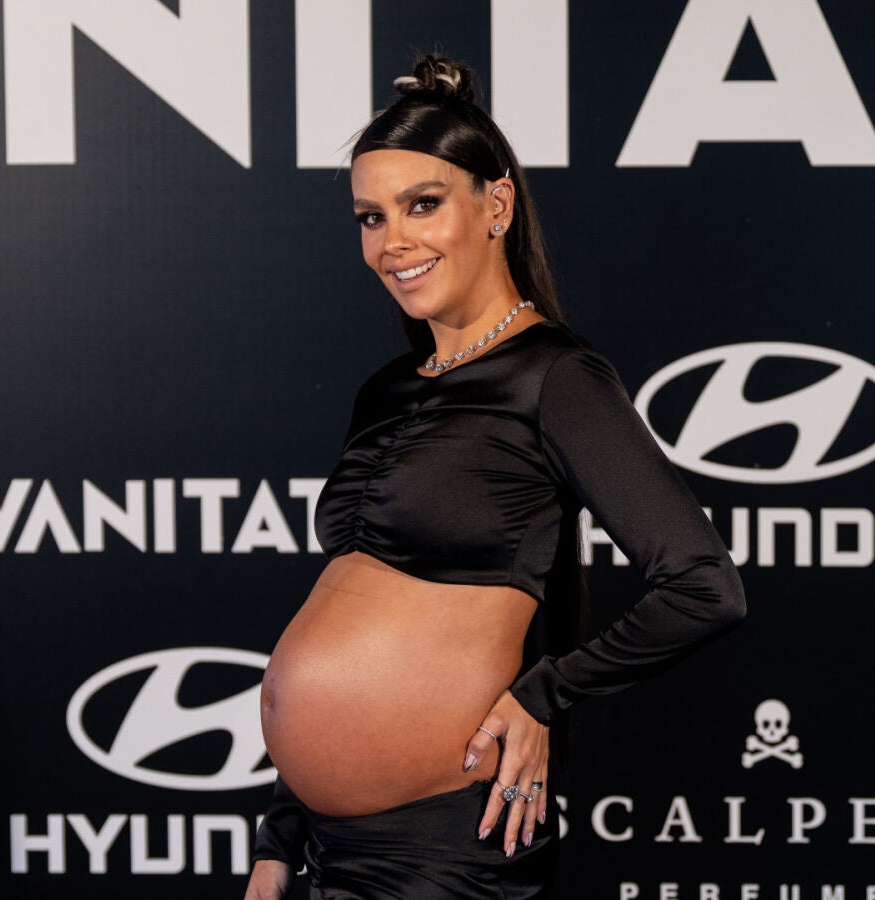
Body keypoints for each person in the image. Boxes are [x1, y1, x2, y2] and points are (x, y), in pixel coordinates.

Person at [243, 56, 747, 900]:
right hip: (326, 848)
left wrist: (543, 695)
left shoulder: (555, 377)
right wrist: (280, 838)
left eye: (423, 204)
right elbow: (344, 621)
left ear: (497, 206)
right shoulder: (384, 391)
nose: (392, 241)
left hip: (446, 847)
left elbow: (706, 587)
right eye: (371, 217)